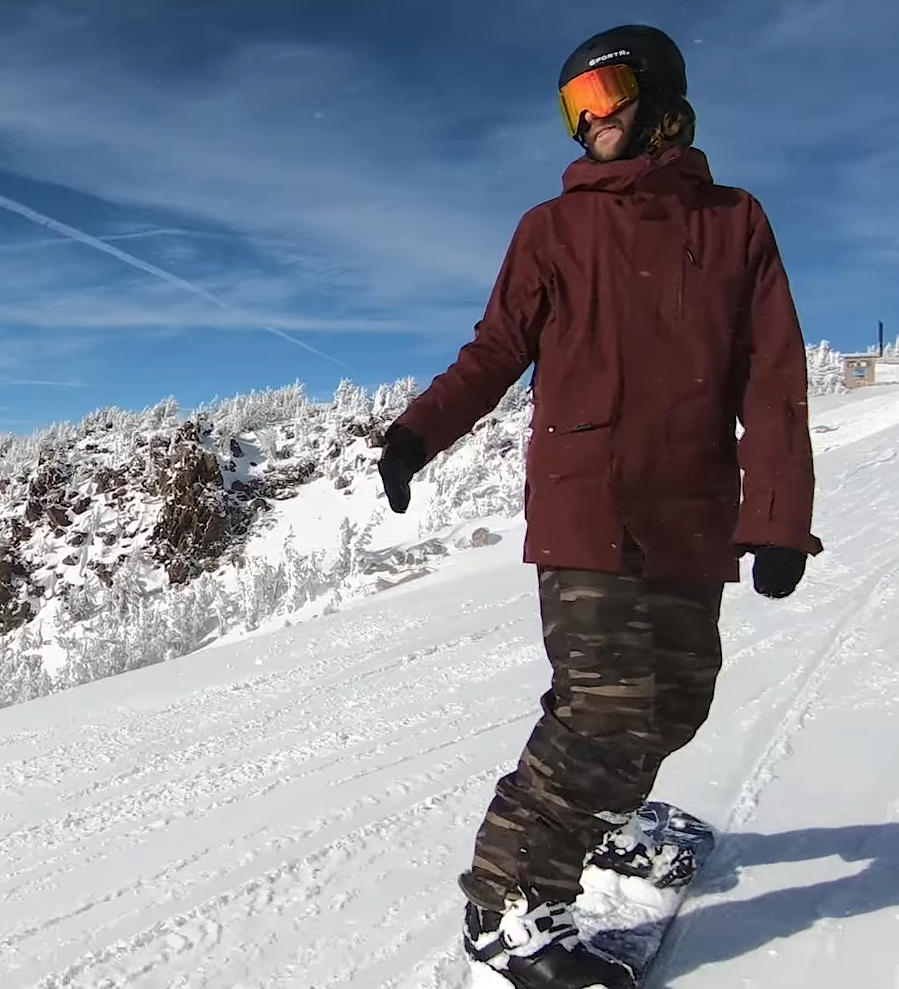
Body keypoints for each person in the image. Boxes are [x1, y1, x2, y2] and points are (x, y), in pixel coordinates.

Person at [375, 23, 822, 989]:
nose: (590, 122)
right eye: (572, 109)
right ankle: (509, 904)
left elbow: (772, 378)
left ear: (660, 96)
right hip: (590, 511)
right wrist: (416, 431)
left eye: (604, 95)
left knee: (675, 703)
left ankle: (609, 819)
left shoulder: (735, 221)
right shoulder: (553, 228)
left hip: (693, 513)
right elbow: (495, 349)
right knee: (605, 715)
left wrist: (777, 516)